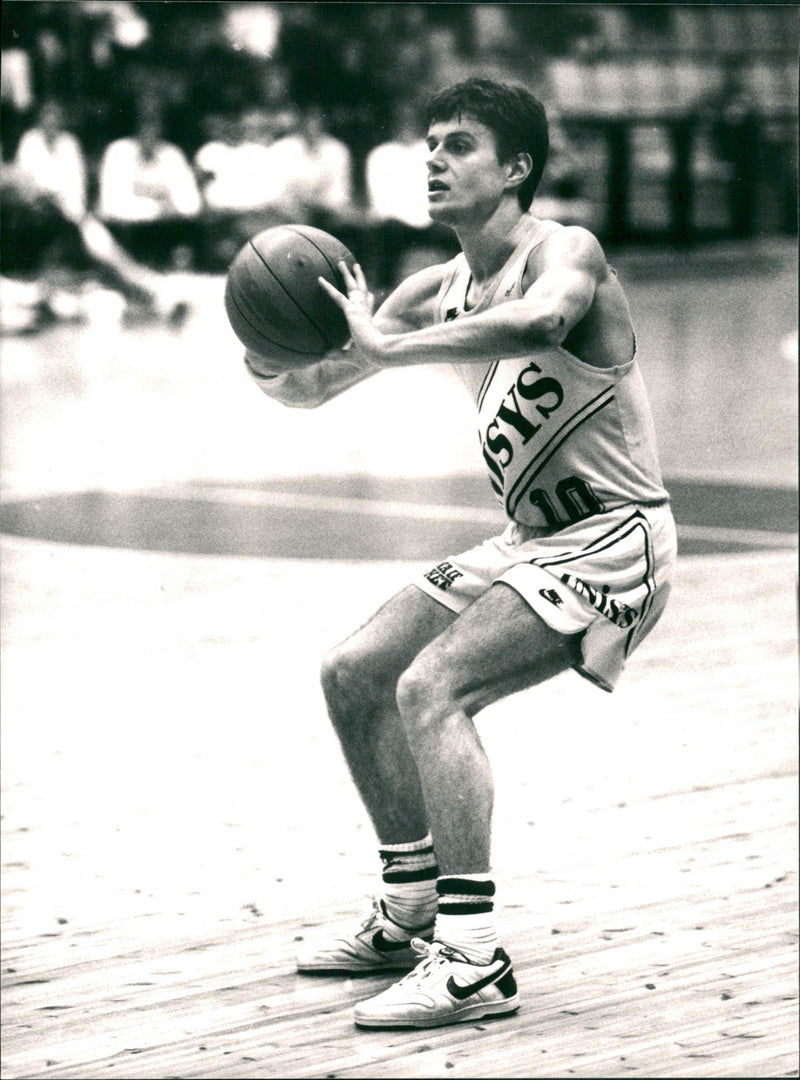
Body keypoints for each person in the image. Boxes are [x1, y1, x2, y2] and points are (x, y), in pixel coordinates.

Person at [244, 77, 677, 1029]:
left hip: (615, 538)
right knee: (356, 670)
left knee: (430, 688)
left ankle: (475, 960)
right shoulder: (431, 288)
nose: (433, 158)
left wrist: (394, 350)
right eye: (429, 142)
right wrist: (263, 343)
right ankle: (410, 910)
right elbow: (314, 387)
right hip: (534, 541)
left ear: (515, 168)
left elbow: (544, 323)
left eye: (459, 145)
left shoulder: (566, 250)